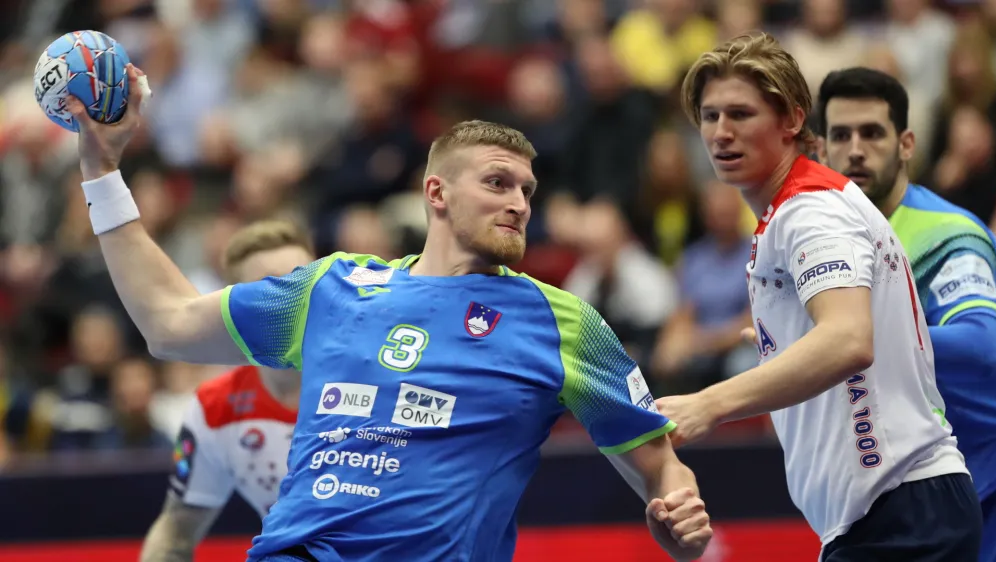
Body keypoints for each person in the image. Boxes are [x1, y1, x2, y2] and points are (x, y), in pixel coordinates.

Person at [65, 65, 713, 562]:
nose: (518, 202)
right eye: (496, 182)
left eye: (526, 190)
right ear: (436, 192)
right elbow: (169, 321)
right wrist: (102, 169)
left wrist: (679, 519)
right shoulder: (334, 288)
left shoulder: (562, 320)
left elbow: (657, 461)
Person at [655, 32, 981, 561]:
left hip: (902, 513)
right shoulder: (797, 207)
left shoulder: (810, 210)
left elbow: (849, 340)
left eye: (740, 113)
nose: (721, 132)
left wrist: (708, 404)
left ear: (792, 120)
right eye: (710, 116)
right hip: (889, 515)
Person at [816, 66, 996, 562]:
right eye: (841, 134)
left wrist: (851, 339)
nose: (856, 148)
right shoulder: (824, 246)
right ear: (819, 149)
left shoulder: (948, 235)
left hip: (986, 494)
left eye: (873, 133)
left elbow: (984, 345)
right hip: (894, 500)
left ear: (907, 144)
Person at [140, 220, 315, 562]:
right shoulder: (215, 410)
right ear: (238, 308)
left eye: (304, 282)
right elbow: (175, 531)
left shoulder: (378, 377)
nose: (293, 300)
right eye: (272, 289)